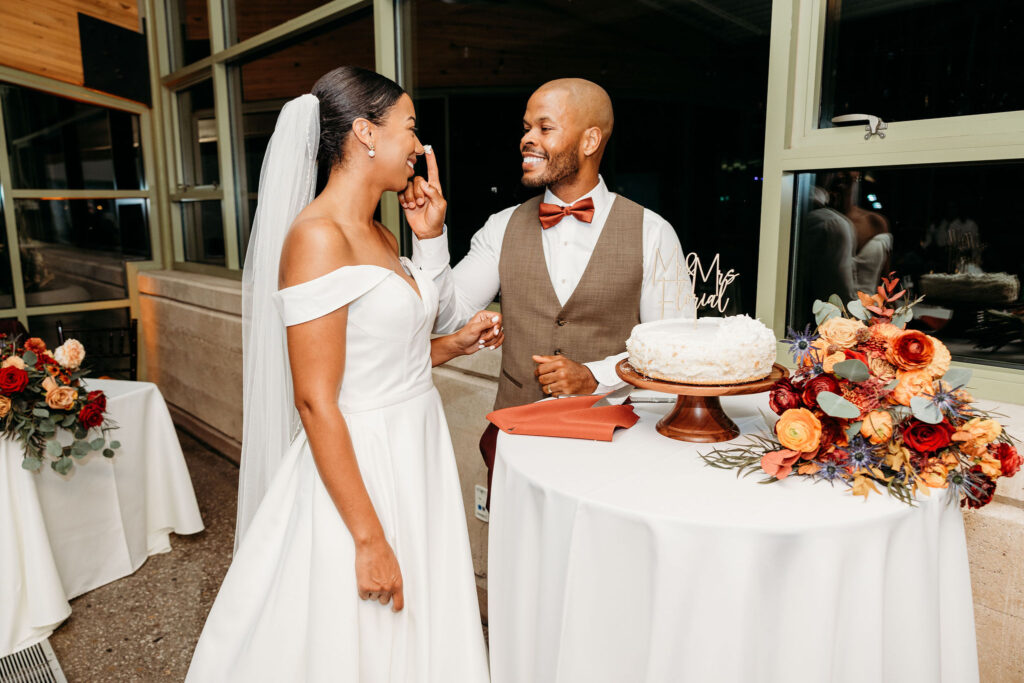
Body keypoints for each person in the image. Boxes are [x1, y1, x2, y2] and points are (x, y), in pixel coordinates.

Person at [186, 66, 493, 682]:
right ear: (365, 133)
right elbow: (314, 398)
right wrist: (369, 538)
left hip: (414, 446)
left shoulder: (379, 230)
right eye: (410, 128)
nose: (419, 145)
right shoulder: (318, 237)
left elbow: (387, 352)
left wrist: (448, 335)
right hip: (362, 461)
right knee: (355, 636)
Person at [403, 78, 693, 495]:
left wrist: (596, 376)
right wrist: (430, 238)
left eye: (544, 127)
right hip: (515, 439)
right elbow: (449, 315)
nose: (528, 139)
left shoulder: (653, 232)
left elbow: (674, 351)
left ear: (590, 139)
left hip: (615, 444)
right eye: (526, 128)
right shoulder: (501, 227)